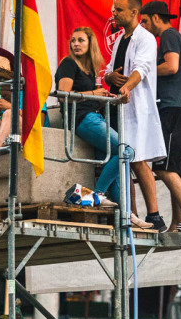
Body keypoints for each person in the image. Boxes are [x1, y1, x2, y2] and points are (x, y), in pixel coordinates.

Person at [104, 0, 167, 232]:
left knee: (139, 160)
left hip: (136, 107)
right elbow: (111, 69)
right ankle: (133, 215)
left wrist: (127, 87)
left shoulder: (146, 39)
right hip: (120, 109)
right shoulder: (120, 39)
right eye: (114, 9)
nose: (114, 13)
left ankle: (155, 215)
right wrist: (111, 77)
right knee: (125, 162)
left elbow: (142, 68)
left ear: (134, 12)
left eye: (118, 10)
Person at [139, 2, 181, 232]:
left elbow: (172, 66)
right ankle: (177, 223)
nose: (143, 26)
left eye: (145, 21)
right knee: (173, 168)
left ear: (156, 17)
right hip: (179, 112)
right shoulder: (170, 37)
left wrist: (142, 72)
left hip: (173, 111)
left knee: (162, 167)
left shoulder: (168, 35)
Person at [53, 26, 127, 206]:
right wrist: (94, 94)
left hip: (94, 116)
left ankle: (126, 215)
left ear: (90, 43)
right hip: (83, 119)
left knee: (113, 163)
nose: (76, 44)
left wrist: (101, 98)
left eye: (80, 40)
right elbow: (63, 95)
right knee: (125, 151)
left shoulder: (89, 70)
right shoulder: (68, 63)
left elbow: (84, 96)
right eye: (73, 40)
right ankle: (96, 194)